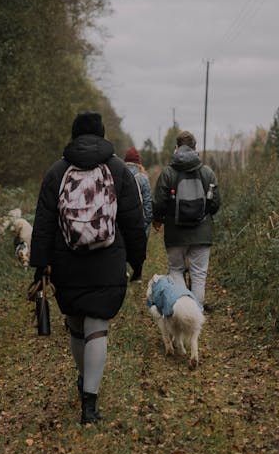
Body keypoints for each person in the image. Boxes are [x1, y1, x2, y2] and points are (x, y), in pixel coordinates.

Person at [29, 111, 147, 425]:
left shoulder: (57, 171)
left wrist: (41, 266)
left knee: (77, 325)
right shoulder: (118, 169)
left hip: (66, 259)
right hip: (107, 260)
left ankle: (84, 381)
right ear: (101, 133)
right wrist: (138, 261)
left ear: (74, 135)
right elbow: (133, 222)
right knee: (98, 327)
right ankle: (89, 406)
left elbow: (42, 224)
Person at [152, 130, 220, 307]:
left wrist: (158, 220)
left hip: (175, 234)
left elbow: (159, 202)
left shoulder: (168, 173)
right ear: (195, 148)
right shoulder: (207, 173)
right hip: (202, 233)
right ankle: (195, 316)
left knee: (176, 270)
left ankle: (182, 311)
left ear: (176, 148)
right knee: (198, 276)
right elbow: (215, 204)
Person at [124, 146, 153, 283]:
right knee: (139, 246)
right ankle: (137, 274)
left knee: (123, 243)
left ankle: (123, 271)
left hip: (123, 218)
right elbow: (147, 202)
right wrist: (147, 220)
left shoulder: (120, 175)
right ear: (138, 162)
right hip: (139, 220)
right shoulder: (143, 178)